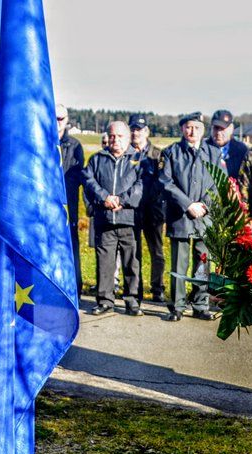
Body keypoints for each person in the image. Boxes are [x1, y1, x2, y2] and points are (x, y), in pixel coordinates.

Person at [160, 112, 222, 322]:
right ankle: (177, 306)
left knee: (203, 264)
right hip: (181, 217)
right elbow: (166, 183)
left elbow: (217, 182)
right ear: (181, 129)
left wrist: (203, 204)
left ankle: (200, 304)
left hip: (205, 217)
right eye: (188, 127)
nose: (192, 131)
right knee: (179, 264)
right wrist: (188, 205)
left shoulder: (213, 153)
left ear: (203, 130)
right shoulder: (171, 153)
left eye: (196, 127)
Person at [82, 121, 143, 316]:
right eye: (112, 136)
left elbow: (142, 185)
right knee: (105, 262)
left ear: (127, 137)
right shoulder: (97, 159)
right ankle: (105, 299)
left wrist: (122, 201)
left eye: (120, 136)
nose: (115, 139)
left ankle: (132, 300)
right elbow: (89, 181)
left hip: (129, 219)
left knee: (131, 262)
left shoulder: (138, 160)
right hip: (105, 218)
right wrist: (104, 198)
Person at [129, 114, 165, 304]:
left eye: (140, 129)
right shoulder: (126, 153)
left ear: (147, 131)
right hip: (132, 211)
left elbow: (164, 182)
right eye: (133, 129)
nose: (136, 133)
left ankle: (157, 288)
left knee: (156, 252)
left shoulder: (157, 154)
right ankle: (136, 289)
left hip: (153, 211)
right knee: (134, 252)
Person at [57, 104, 85, 295]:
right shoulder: (41, 142)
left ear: (67, 121)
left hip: (68, 205)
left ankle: (75, 287)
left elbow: (76, 176)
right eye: (54, 118)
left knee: (71, 247)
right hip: (46, 206)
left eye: (61, 119)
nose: (57, 122)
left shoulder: (75, 146)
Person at [207, 109, 248, 179]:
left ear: (231, 129)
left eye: (222, 129)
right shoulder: (203, 149)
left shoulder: (242, 150)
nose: (218, 133)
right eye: (216, 128)